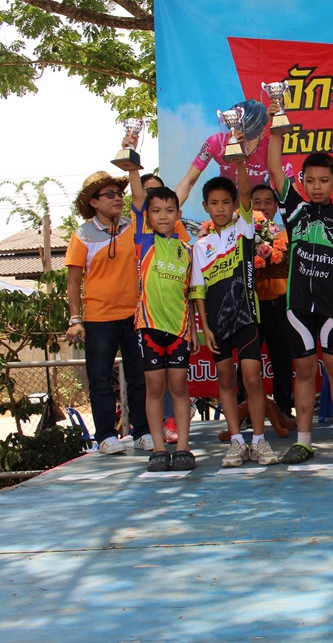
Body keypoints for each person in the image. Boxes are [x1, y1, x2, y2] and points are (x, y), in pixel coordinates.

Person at [267, 127, 333, 465]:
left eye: (324, 180)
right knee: (305, 370)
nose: (317, 186)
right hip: (297, 310)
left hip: (332, 310)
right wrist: (276, 130)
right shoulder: (295, 212)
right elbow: (274, 170)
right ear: (302, 183)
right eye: (310, 181)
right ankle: (304, 441)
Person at [190, 163, 282, 467]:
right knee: (226, 380)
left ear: (234, 206)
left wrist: (240, 161)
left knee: (252, 378)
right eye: (214, 203)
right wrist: (205, 327)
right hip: (217, 323)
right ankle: (236, 442)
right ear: (205, 206)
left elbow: (245, 191)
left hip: (246, 318)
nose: (220, 208)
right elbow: (198, 290)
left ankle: (259, 441)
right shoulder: (200, 246)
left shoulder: (243, 229)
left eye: (226, 202)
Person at [65, 172, 152, 454]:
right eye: (110, 194)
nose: (117, 198)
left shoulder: (134, 226)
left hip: (135, 315)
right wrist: (75, 320)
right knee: (100, 378)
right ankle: (105, 436)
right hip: (98, 318)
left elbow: (140, 200)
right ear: (94, 202)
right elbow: (73, 282)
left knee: (140, 376)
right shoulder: (81, 235)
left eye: (119, 193)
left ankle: (142, 432)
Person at [127, 174, 198, 471]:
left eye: (169, 211)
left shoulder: (188, 250)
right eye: (156, 211)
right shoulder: (143, 242)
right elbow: (137, 198)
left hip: (179, 330)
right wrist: (132, 167)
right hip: (149, 328)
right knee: (155, 388)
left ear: (178, 214)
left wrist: (194, 330)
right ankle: (158, 448)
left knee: (179, 386)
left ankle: (183, 447)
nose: (163, 216)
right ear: (148, 216)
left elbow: (190, 294)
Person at [173, 99, 292, 206]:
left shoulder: (270, 148)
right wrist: (173, 210)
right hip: (228, 206)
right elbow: (189, 180)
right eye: (240, 137)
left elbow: (291, 189)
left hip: (256, 208)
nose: (244, 144)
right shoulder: (217, 142)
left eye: (249, 139)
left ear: (262, 134)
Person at [251, 183, 296, 420]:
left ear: (276, 206)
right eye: (257, 202)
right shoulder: (243, 236)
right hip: (253, 308)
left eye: (268, 202)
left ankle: (283, 408)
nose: (263, 206)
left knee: (283, 360)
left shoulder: (285, 236)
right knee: (249, 362)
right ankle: (246, 409)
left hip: (280, 305)